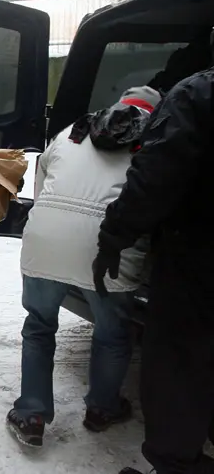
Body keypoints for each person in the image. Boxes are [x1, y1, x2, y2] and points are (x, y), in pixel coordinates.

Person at [6, 87, 161, 448]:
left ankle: (31, 414)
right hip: (109, 248)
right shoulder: (157, 141)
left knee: (39, 327)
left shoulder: (74, 131)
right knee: (112, 335)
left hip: (46, 239)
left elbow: (43, 178)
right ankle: (102, 409)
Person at [93, 70, 214, 474]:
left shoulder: (199, 92)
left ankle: (178, 465)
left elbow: (154, 178)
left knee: (180, 364)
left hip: (198, 260)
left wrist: (114, 236)